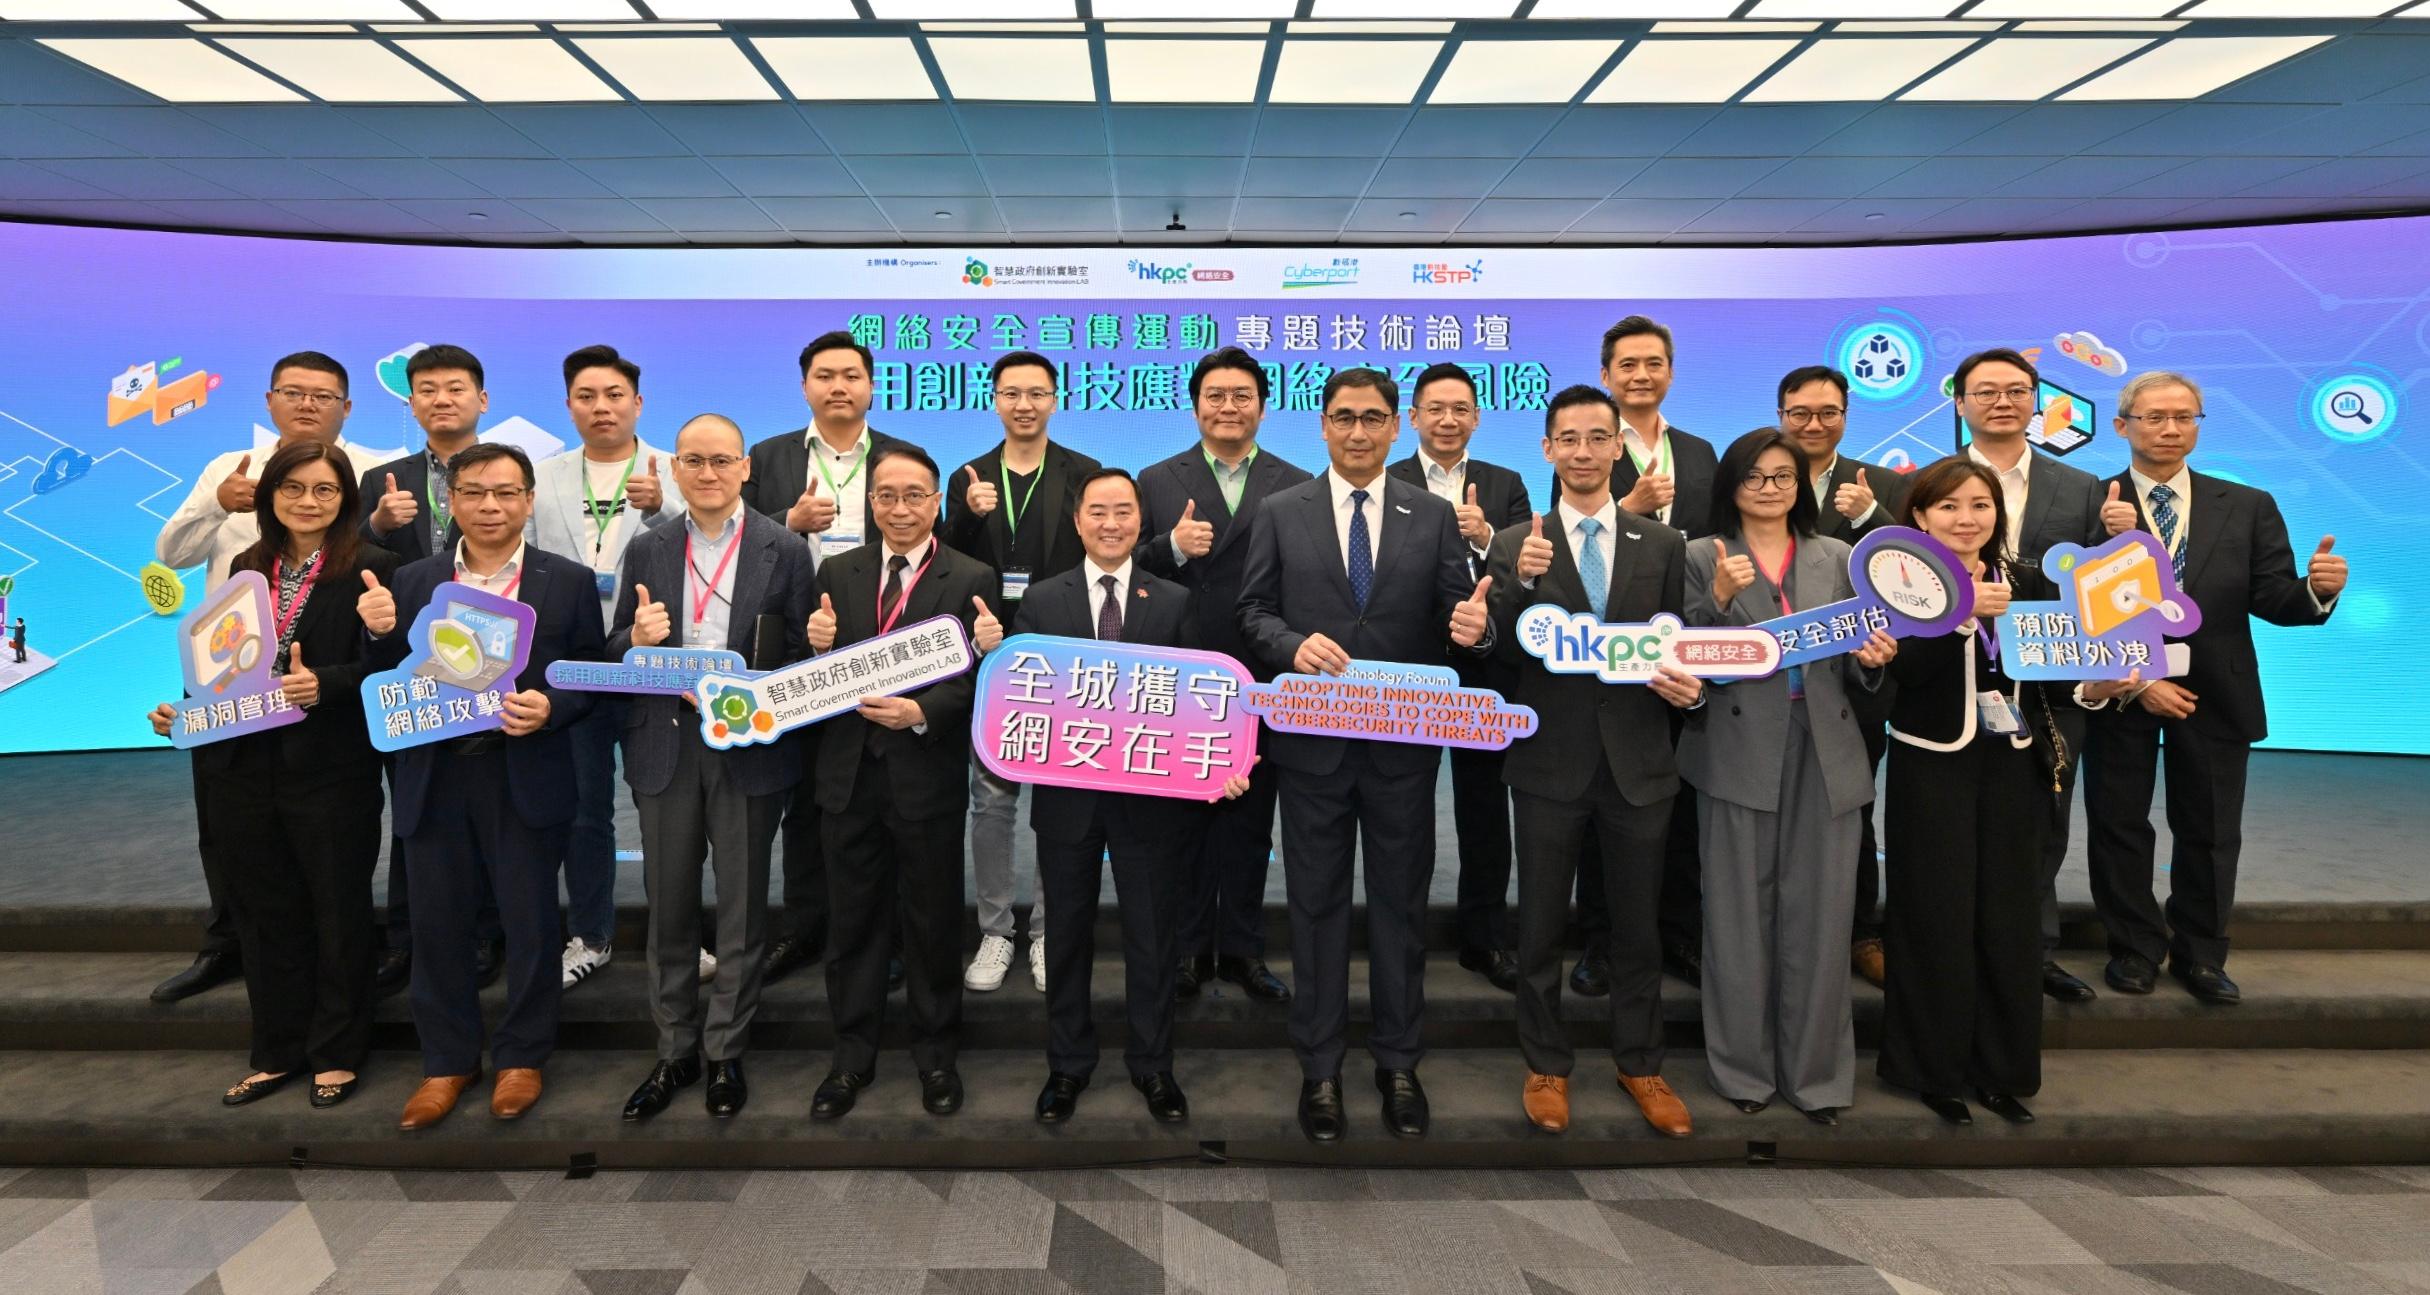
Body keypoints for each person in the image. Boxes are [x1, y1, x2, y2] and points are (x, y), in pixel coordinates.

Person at [1237, 366, 1491, 1144]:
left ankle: (1397, 1061)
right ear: (1321, 425)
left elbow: (1456, 612)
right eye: (1344, 417)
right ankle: (1320, 1068)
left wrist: (1473, 627)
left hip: (1402, 751)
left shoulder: (1434, 515)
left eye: (1373, 418)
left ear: (1396, 426)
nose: (1358, 431)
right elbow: (1252, 610)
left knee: (1398, 909)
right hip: (1311, 749)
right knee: (1313, 909)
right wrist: (1287, 644)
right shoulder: (1282, 510)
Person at [1879, 456, 2136, 1127]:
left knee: (2007, 920)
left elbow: (2049, 674)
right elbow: (1902, 674)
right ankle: (1932, 1072)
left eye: (1980, 505)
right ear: (1919, 516)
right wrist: (1960, 614)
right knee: (1934, 918)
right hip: (1931, 766)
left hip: (2013, 764)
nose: (1967, 519)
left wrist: (2092, 687)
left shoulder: (2023, 578)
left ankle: (2001, 1070)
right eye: (1950, 507)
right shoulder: (1898, 579)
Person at [357, 442, 605, 1131]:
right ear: (451, 500)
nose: (489, 506)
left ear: (528, 500)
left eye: (504, 492)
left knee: (530, 921)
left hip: (524, 770)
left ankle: (522, 1055)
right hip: (434, 775)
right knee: (437, 923)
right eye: (473, 492)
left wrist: (554, 707)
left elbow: (589, 672)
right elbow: (387, 682)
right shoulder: (413, 581)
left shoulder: (568, 581)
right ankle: (447, 1059)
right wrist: (377, 637)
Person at [146, 441, 394, 1110]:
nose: (307, 502)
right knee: (265, 913)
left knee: (338, 912)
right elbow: (224, 668)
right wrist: (185, 709)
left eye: (324, 490)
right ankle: (277, 1049)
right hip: (240, 768)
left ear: (347, 499)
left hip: (330, 770)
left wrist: (331, 682)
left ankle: (337, 1052)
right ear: (269, 495)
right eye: (293, 489)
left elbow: (398, 674)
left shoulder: (375, 570)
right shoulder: (244, 565)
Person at [1485, 385, 1705, 1138]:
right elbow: (1500, 652)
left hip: (1641, 762)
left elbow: (1681, 649)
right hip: (1549, 759)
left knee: (1637, 927)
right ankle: (1545, 1062)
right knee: (1542, 922)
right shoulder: (1516, 542)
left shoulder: (1663, 544)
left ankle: (1641, 1062)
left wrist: (1689, 689)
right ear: (1547, 450)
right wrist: (1518, 585)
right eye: (1567, 439)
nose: (1582, 451)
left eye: (1597, 438)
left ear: (1620, 448)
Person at [2083, 371, 2345, 1006]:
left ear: (2198, 424)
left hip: (2215, 693)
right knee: (2119, 824)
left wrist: (2319, 591)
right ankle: (2135, 948)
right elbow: (2072, 601)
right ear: (2122, 427)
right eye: (2154, 418)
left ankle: (2201, 954)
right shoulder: (2089, 500)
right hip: (2123, 686)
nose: (2171, 429)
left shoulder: (2247, 504)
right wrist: (2103, 540)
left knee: (2211, 829)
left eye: (2185, 417)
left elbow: (2274, 597)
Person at [1680, 428, 1896, 1127]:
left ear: (1803, 486)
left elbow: (1866, 662)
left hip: (1825, 749)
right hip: (1738, 748)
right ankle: (1743, 1069)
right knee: (1739, 916)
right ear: (1730, 487)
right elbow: (1683, 655)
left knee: (1823, 915)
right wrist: (1713, 600)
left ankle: (1817, 1076)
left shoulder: (1837, 556)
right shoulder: (1697, 554)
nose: (1769, 488)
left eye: (1783, 476)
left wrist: (1874, 656)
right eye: (1754, 477)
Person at [1023, 468, 1249, 1125]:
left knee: (1153, 938)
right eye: (1098, 510)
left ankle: (1153, 1066)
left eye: (1124, 511)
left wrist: (1222, 760)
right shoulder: (1042, 600)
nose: (1111, 522)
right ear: (1077, 521)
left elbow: (1200, 700)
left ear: (1140, 521)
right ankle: (1066, 1066)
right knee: (1066, 935)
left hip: (1152, 800)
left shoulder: (1174, 601)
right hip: (1068, 799)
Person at [612, 414, 819, 1122]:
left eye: (722, 460)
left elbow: (797, 654)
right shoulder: (647, 548)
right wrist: (633, 641)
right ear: (674, 468)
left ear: (745, 468)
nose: (708, 473)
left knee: (741, 904)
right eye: (694, 461)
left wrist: (780, 678)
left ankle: (726, 1048)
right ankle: (675, 1049)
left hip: (749, 743)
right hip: (665, 741)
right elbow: (615, 644)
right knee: (668, 904)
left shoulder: (785, 548)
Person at [805, 445, 996, 1121]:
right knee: (852, 923)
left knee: (931, 919)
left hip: (925, 773)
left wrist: (926, 711)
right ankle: (851, 1056)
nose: (900, 508)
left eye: (914, 494)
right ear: (871, 501)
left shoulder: (971, 573)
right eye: (886, 495)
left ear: (936, 501)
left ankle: (936, 1055)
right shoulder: (837, 569)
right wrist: (818, 648)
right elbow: (808, 675)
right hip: (848, 776)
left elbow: (982, 675)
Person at [1136, 346, 1312, 1005]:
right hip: (1177, 676)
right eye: (1216, 394)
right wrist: (1172, 548)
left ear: (1263, 406)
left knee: (1247, 816)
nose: (1229, 405)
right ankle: (1184, 949)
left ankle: (1240, 948)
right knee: (1181, 818)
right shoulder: (1156, 479)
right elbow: (1129, 568)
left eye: (1242, 394)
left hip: (1262, 674)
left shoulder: (1297, 481)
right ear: (1195, 404)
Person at [741, 331, 916, 989]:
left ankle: (888, 934)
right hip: (791, 646)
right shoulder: (769, 456)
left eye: (850, 375)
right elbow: (740, 537)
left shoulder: (904, 457)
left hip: (879, 644)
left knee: (884, 798)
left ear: (871, 385)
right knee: (806, 798)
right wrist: (789, 520)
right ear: (805, 385)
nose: (838, 386)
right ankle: (806, 927)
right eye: (824, 375)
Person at [942, 351, 1103, 997]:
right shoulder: (967, 475)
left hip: (1064, 658)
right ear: (995, 400)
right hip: (989, 657)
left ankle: (1050, 933)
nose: (1025, 404)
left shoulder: (1084, 474)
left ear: (1055, 399)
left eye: (1037, 392)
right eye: (1012, 392)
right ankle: (996, 928)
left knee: (1063, 803)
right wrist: (968, 514)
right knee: (993, 799)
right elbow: (944, 554)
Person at [1957, 347, 2110, 1004]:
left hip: (2049, 683)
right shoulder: (1919, 483)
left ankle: (2033, 948)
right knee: (1952, 816)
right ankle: (1953, 941)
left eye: (2016, 390)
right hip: (1951, 675)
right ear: (1960, 402)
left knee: (2043, 813)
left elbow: (2100, 591)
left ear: (2037, 402)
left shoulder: (2082, 489)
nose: (2001, 401)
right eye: (1985, 390)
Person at [359, 343, 506, 997]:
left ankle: (485, 931)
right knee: (412, 809)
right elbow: (353, 561)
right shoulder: (380, 479)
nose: (441, 399)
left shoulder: (507, 471)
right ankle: (406, 939)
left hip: (491, 663)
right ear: (411, 401)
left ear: (482, 398)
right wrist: (377, 525)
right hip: (408, 669)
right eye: (426, 389)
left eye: (454, 387)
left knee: (489, 808)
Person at [527, 344, 675, 991]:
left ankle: (678, 936)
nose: (601, 406)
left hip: (655, 663)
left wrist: (661, 507)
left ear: (637, 403)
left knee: (670, 812)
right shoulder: (544, 475)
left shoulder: (674, 469)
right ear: (568, 405)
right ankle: (590, 933)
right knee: (585, 809)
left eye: (614, 394)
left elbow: (711, 540)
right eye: (587, 396)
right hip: (577, 665)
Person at [1386, 361, 1531, 993]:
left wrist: (1487, 538)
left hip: (1485, 668)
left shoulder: (1506, 483)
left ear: (1477, 417)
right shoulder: (1383, 480)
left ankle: (1484, 938)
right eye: (1435, 408)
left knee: (1482, 809)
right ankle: (1401, 937)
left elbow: (1531, 574)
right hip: (1406, 667)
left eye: (1461, 409)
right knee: (1401, 809)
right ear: (1412, 418)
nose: (1449, 419)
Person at [1596, 314, 1717, 993]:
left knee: (1678, 800)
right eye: (1628, 365)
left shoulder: (1699, 452)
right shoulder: (1587, 445)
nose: (1641, 375)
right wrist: (1629, 505)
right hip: (1604, 649)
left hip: (1684, 647)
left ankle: (1678, 933)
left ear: (1669, 371)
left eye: (1653, 363)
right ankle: (1599, 940)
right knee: (1598, 803)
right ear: (1606, 374)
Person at [1777, 364, 1909, 990]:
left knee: (1849, 808)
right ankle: (1773, 927)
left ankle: (1859, 931)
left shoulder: (1879, 485)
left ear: (1846, 416)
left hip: (1852, 682)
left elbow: (1916, 570)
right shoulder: (1757, 475)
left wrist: (1872, 516)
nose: (1814, 423)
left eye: (1827, 412)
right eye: (1800, 412)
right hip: (1765, 684)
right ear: (1781, 416)